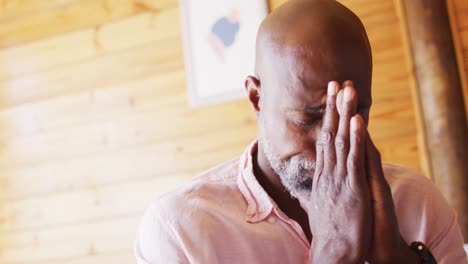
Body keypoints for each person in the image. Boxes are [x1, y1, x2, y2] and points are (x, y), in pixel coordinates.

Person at [135, 0, 468, 263]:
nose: (330, 144)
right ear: (257, 98)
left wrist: (397, 259)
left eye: (354, 113)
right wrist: (333, 255)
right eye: (308, 118)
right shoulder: (180, 230)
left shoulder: (417, 204)